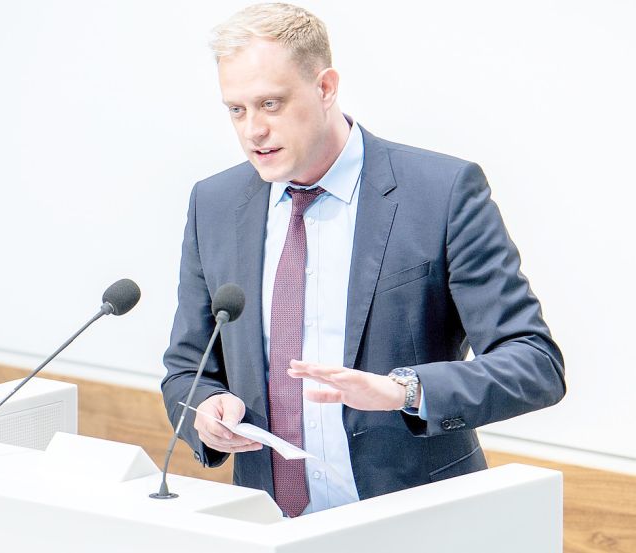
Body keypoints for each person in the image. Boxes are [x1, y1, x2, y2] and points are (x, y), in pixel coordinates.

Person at [160, 2, 565, 518]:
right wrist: (204, 412)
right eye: (236, 110)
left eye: (271, 104)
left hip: (416, 524)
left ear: (325, 88)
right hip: (268, 526)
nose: (252, 131)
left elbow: (535, 364)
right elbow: (186, 370)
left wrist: (405, 391)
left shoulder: (439, 194)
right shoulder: (213, 205)